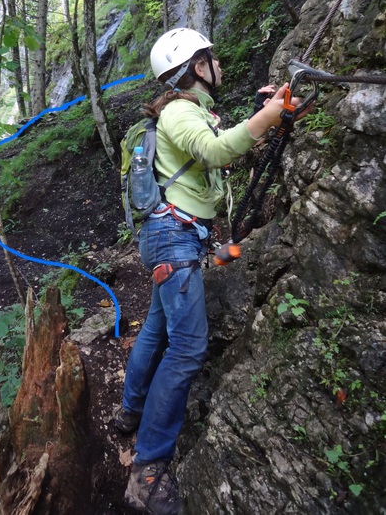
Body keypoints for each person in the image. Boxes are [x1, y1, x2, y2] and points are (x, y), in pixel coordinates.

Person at [116, 28, 312, 515]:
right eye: (212, 59)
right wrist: (265, 117)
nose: (219, 65)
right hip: (173, 238)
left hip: (174, 236)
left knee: (158, 330)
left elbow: (219, 141)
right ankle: (147, 471)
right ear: (197, 67)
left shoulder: (192, 111)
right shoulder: (179, 110)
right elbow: (219, 151)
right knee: (187, 348)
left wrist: (263, 116)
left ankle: (130, 411)